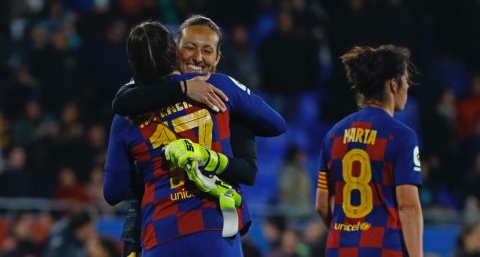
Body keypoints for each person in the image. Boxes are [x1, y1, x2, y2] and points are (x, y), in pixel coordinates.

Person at [103, 21, 286, 256]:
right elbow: (277, 124)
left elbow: (113, 192)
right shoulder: (220, 88)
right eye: (190, 47)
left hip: (159, 234)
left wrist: (148, 176)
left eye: (207, 50)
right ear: (175, 50)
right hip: (216, 230)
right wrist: (236, 116)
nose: (198, 57)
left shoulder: (127, 115)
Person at [315, 45, 423, 257]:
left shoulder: (333, 135)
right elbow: (408, 206)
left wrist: (349, 234)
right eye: (405, 78)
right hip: (383, 248)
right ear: (393, 84)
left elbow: (321, 205)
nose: (408, 85)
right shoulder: (401, 136)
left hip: (340, 249)